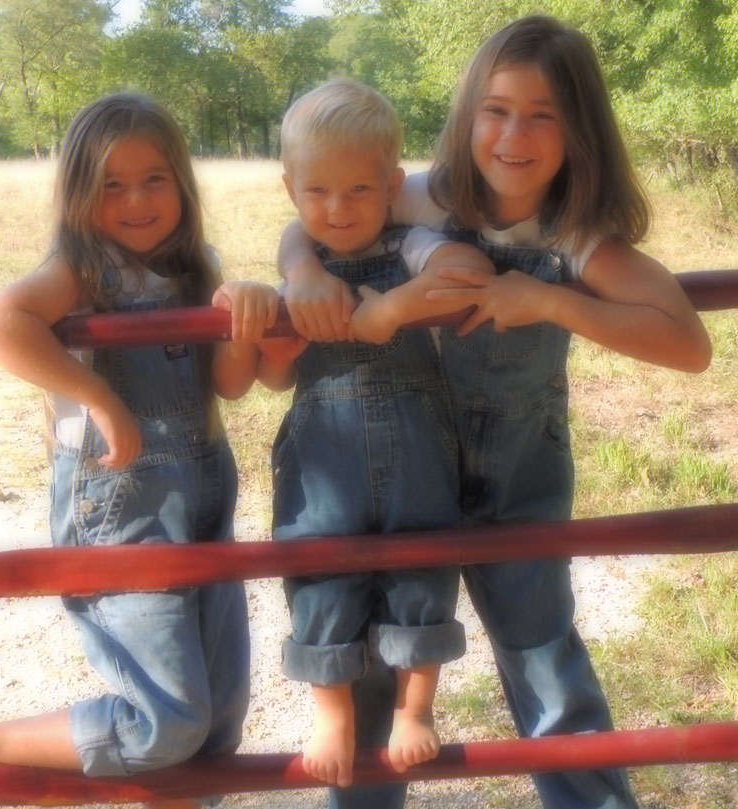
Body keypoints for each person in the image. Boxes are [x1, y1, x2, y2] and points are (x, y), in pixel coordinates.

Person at [277, 16, 712, 809]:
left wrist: (549, 298)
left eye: (544, 113)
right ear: (469, 113)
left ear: (579, 131)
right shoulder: (426, 198)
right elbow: (325, 205)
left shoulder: (576, 236)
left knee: (544, 666)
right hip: (407, 476)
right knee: (379, 660)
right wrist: (298, 263)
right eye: (497, 108)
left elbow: (688, 343)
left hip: (517, 481)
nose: (515, 133)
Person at [0, 93, 280, 795]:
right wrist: (102, 399)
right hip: (119, 515)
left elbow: (229, 383)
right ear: (79, 194)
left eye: (154, 178)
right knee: (167, 718)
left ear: (181, 185)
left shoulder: (197, 267)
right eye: (112, 184)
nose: (137, 200)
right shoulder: (79, 270)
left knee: (218, 719)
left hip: (201, 506)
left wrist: (241, 312)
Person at [258, 78, 493, 796]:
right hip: (322, 454)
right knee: (319, 571)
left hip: (418, 447)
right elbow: (271, 378)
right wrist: (296, 281)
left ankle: (414, 708)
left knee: (425, 567)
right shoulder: (298, 266)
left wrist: (391, 307)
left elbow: (469, 271)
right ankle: (331, 712)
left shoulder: (411, 242)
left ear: (391, 186)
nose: (337, 209)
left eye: (358, 190)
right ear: (292, 188)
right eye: (318, 192)